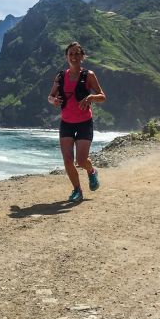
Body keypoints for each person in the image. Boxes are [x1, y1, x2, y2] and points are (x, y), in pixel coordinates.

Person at [47, 41, 106, 202]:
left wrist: (91, 97)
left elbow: (102, 96)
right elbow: (50, 96)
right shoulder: (60, 76)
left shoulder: (89, 75)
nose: (74, 56)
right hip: (66, 122)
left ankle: (92, 171)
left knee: (80, 160)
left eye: (77, 54)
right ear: (67, 57)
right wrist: (53, 101)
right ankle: (77, 190)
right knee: (67, 160)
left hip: (84, 122)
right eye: (71, 54)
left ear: (82, 56)